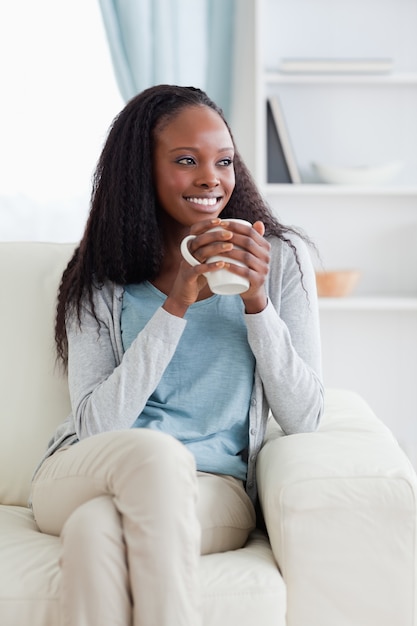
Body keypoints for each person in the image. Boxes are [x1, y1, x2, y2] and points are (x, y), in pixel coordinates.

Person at [30, 84, 324, 626]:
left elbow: (305, 416)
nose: (212, 177)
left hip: (212, 486)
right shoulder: (99, 273)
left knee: (95, 533)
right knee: (156, 457)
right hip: (87, 469)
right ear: (141, 170)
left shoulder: (281, 260)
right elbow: (97, 428)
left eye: (224, 161)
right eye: (186, 160)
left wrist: (258, 303)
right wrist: (177, 303)